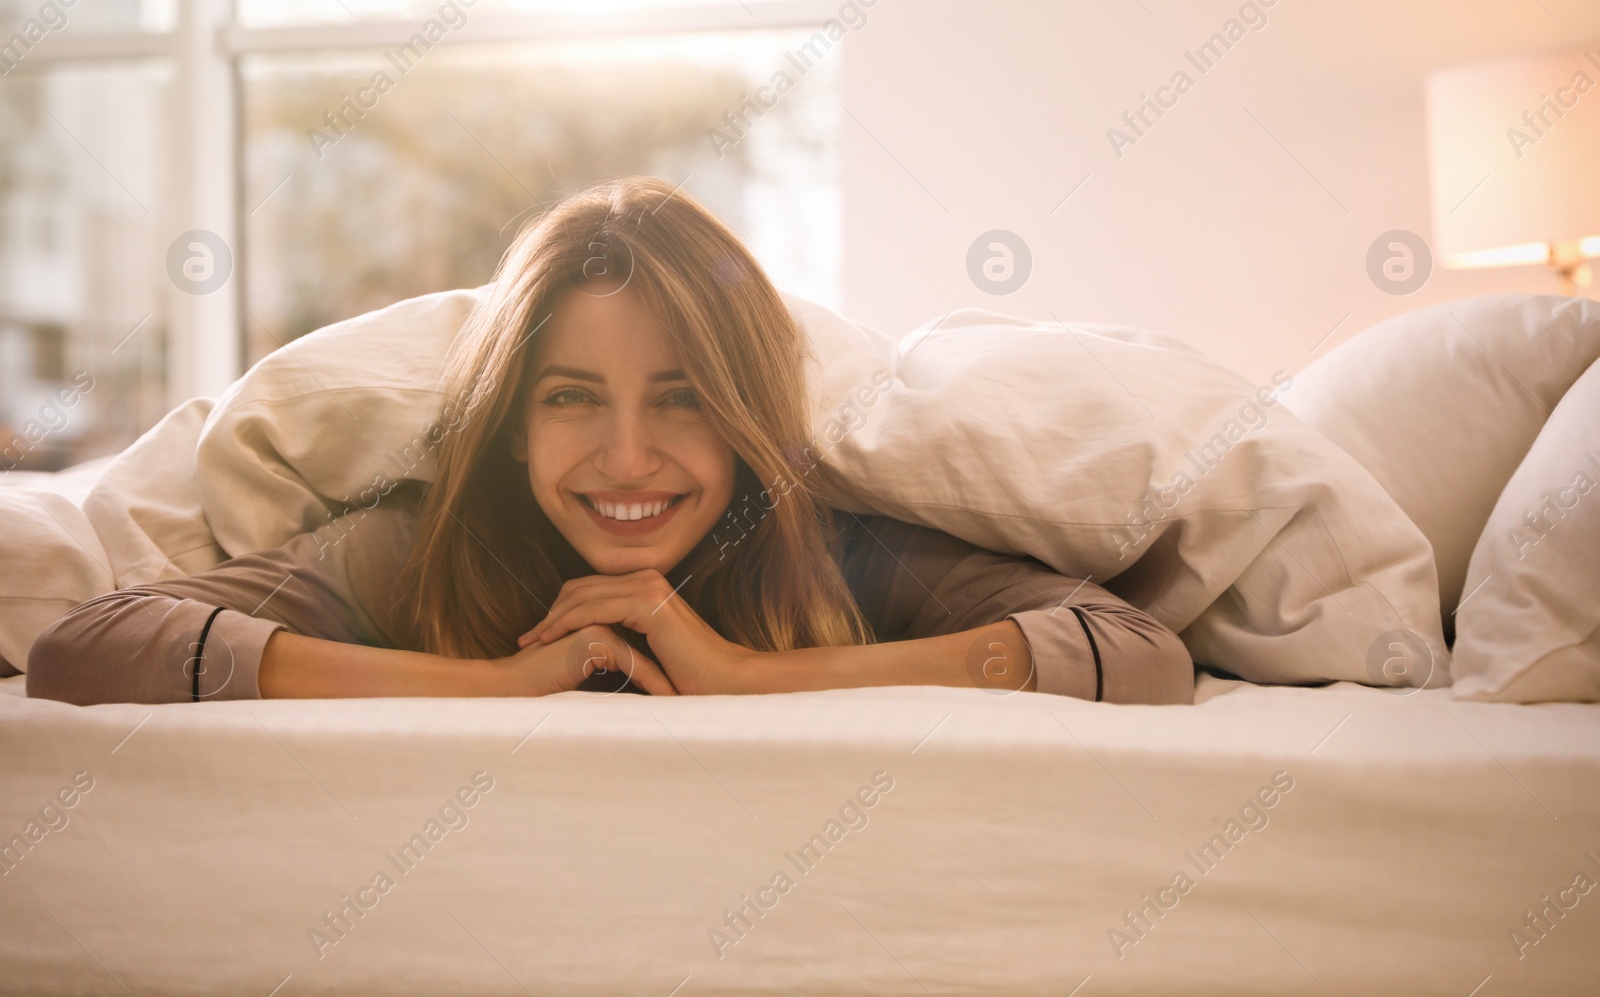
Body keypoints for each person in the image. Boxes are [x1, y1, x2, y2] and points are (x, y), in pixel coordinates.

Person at [26, 178, 1192, 706]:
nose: (626, 457)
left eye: (680, 399)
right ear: (514, 417)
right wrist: (489, 683)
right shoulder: (432, 546)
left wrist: (744, 673)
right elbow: (86, 646)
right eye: (573, 397)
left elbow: (1134, 648)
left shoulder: (836, 547)